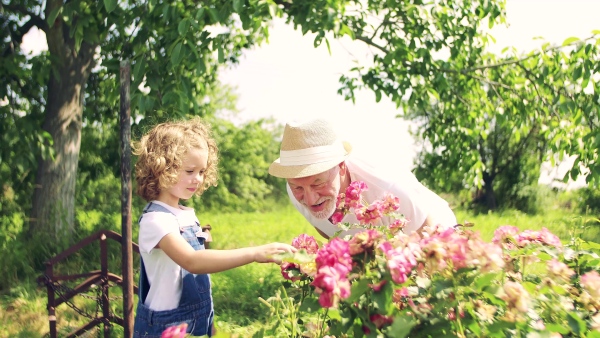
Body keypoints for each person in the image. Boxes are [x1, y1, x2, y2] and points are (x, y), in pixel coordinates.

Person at [132, 117, 296, 337]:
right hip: (166, 324)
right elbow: (192, 261)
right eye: (189, 171)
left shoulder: (185, 214)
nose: (197, 179)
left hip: (198, 315)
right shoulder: (156, 220)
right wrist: (255, 253)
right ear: (162, 168)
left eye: (201, 171)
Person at [268, 118, 457, 239]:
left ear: (341, 167)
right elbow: (327, 229)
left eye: (318, 183)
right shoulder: (296, 191)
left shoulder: (389, 188)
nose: (309, 199)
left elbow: (430, 234)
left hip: (439, 236)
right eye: (298, 187)